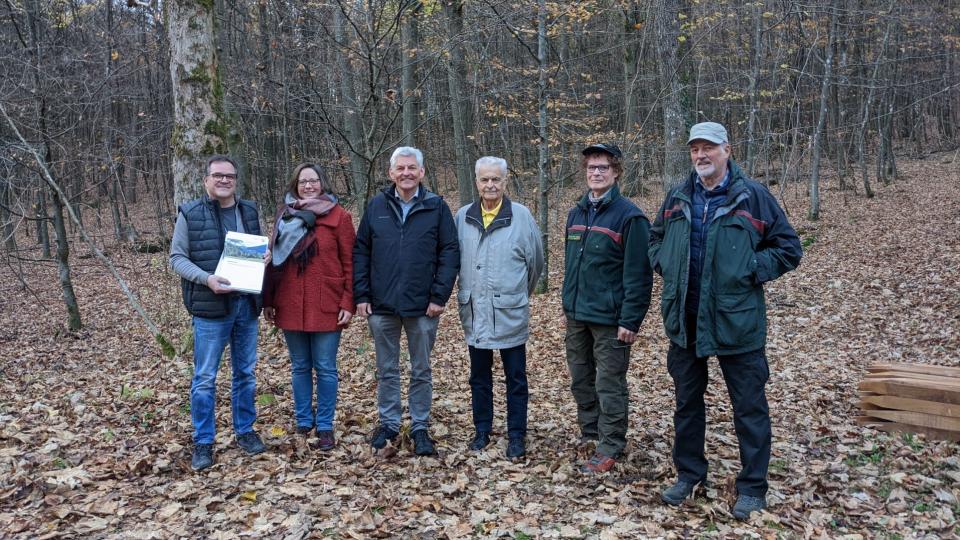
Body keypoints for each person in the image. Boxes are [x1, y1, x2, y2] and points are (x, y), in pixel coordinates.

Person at [649, 122, 802, 519]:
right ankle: (690, 475)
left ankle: (752, 487)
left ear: (727, 150)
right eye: (695, 149)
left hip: (737, 322)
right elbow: (655, 238)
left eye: (709, 148)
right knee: (687, 404)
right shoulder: (678, 195)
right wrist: (665, 261)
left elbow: (788, 248)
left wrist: (751, 267)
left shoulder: (753, 197)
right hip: (685, 320)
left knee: (749, 406)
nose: (701, 156)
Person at [353, 146, 460, 456]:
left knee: (421, 369)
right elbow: (361, 251)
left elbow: (450, 252)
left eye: (412, 168)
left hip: (423, 306)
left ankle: (420, 426)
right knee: (387, 369)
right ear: (391, 173)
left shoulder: (436, 207)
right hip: (382, 304)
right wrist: (361, 295)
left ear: (422, 172)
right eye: (400, 168)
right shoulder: (376, 206)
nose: (406, 173)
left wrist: (439, 295)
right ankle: (388, 423)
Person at [170, 155, 268, 471]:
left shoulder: (249, 211)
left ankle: (245, 431)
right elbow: (177, 258)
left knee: (245, 373)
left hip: (246, 305)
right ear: (206, 180)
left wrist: (265, 257)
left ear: (236, 180)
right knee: (205, 377)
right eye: (217, 175)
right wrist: (207, 279)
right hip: (210, 308)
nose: (224, 180)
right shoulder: (190, 213)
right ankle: (203, 441)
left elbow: (259, 249)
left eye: (229, 175)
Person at [562, 143, 653, 473]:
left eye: (603, 168)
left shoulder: (630, 217)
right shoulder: (577, 213)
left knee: (609, 383)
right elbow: (572, 266)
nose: (596, 173)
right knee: (580, 379)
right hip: (577, 316)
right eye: (591, 168)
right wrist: (566, 306)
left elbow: (639, 274)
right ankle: (591, 433)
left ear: (616, 172)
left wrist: (631, 319)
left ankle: (611, 444)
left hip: (611, 320)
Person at [454, 156, 544, 459]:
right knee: (479, 376)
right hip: (475, 311)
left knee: (515, 377)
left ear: (505, 182)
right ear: (476, 182)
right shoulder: (462, 216)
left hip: (509, 312)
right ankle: (482, 429)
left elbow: (536, 265)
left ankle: (516, 435)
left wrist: (515, 294)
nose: (490, 185)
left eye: (496, 179)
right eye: (485, 179)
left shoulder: (521, 216)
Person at [262, 163, 354, 451]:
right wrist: (268, 299)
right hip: (289, 300)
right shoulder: (284, 216)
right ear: (296, 185)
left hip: (327, 301)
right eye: (303, 181)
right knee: (300, 366)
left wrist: (348, 301)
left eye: (314, 181)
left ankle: (325, 425)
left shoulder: (339, 217)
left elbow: (351, 263)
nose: (309, 186)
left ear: (322, 184)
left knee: (325, 367)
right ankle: (304, 420)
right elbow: (274, 261)